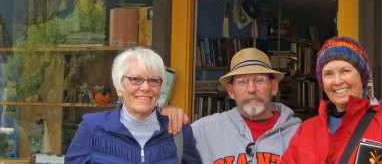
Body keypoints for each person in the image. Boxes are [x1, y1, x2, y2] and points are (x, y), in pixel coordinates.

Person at [163, 47, 302, 164]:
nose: (251, 89)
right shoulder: (203, 131)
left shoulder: (300, 134)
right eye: (242, 81)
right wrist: (162, 115)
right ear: (230, 91)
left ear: (274, 87)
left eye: (259, 80)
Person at [65, 47, 201, 164]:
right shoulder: (92, 128)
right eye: (135, 79)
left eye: (154, 80)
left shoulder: (178, 132)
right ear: (119, 87)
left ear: (161, 88)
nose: (146, 87)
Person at [282, 36, 382, 163]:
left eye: (345, 71)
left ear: (362, 77)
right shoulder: (306, 130)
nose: (337, 81)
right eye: (328, 74)